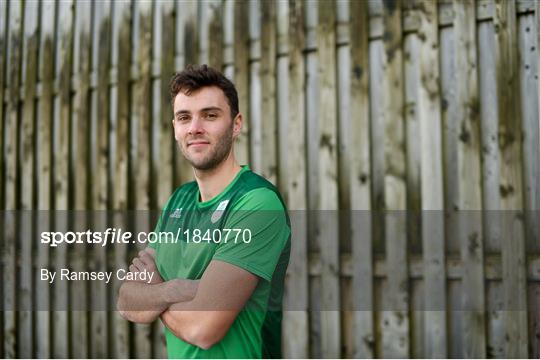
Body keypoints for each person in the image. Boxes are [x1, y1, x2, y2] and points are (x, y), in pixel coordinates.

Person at [117, 64, 291, 359]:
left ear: (236, 124)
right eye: (184, 117)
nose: (195, 127)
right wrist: (173, 290)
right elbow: (126, 300)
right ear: (175, 129)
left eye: (210, 115)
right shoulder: (178, 202)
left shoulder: (257, 202)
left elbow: (203, 328)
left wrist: (155, 294)